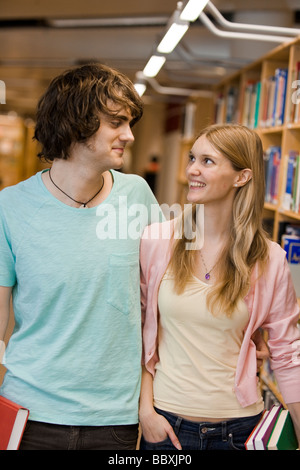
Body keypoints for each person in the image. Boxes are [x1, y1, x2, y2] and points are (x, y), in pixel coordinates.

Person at [0, 63, 163, 450]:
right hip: (29, 415)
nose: (129, 135)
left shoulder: (137, 195)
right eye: (117, 123)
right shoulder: (9, 207)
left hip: (114, 420)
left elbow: (165, 297)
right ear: (77, 123)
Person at [139, 123, 300, 451]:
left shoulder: (268, 259)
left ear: (242, 176)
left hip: (240, 430)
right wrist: (145, 412)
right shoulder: (157, 240)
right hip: (167, 427)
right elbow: (139, 333)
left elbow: (287, 352)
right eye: (192, 158)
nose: (192, 170)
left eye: (208, 161)